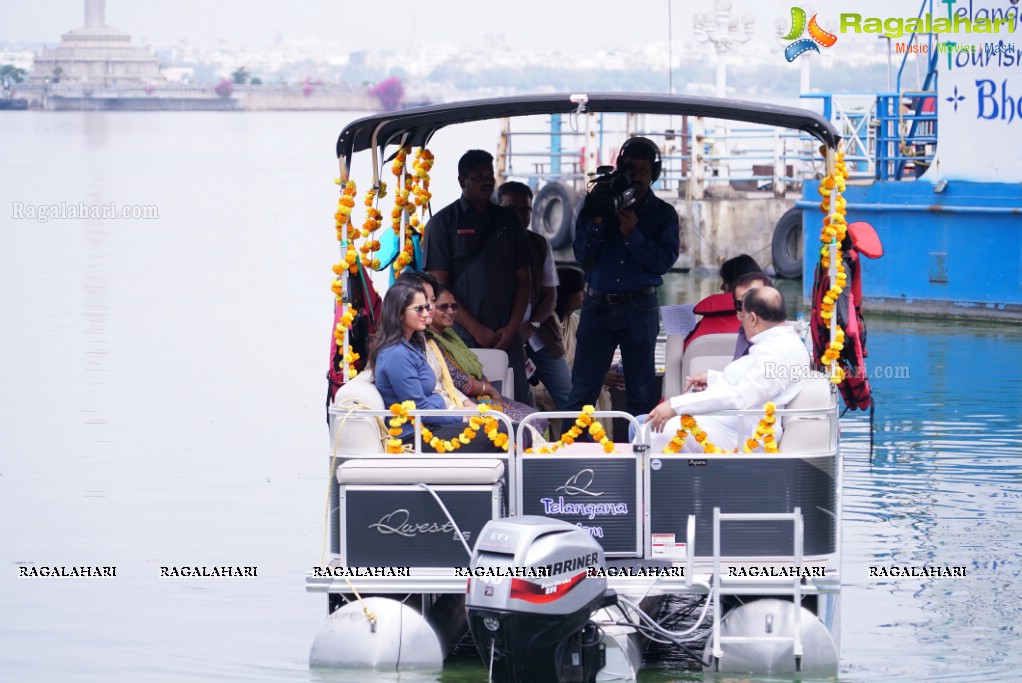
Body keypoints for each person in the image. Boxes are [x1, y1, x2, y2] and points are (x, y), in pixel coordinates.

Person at [568, 137, 680, 417]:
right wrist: (598, 222)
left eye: (643, 170)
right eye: (630, 168)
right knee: (582, 391)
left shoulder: (663, 215)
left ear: (653, 175)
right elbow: (584, 258)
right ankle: (572, 453)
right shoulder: (596, 204)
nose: (635, 176)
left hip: (639, 308)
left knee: (641, 393)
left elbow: (662, 263)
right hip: (597, 306)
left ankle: (639, 456)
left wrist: (633, 235)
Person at [425, 150, 534, 404]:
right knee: (467, 404)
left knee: (517, 400)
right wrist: (476, 328)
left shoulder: (509, 220)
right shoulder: (442, 223)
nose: (487, 182)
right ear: (462, 181)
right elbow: (438, 287)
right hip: (459, 334)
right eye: (478, 177)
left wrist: (513, 327)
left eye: (490, 176)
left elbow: (524, 279)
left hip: (507, 333)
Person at [644, 286, 809, 453]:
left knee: (654, 432)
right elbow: (754, 383)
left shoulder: (775, 352)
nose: (741, 322)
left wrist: (675, 405)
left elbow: (741, 397)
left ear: (752, 319)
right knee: (650, 426)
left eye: (742, 317)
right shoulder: (787, 343)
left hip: (750, 436)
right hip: (741, 423)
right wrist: (714, 379)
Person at [369, 280, 507, 453]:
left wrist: (453, 408)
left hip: (433, 423)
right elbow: (419, 410)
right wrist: (461, 416)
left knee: (512, 430)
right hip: (415, 436)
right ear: (399, 314)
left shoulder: (412, 344)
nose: (427, 313)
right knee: (507, 434)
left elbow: (429, 398)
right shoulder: (396, 354)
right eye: (419, 309)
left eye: (427, 307)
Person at [426, 284, 547, 433]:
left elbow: (471, 367)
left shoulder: (449, 335)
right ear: (430, 308)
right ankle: (517, 455)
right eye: (443, 307)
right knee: (528, 422)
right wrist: (488, 389)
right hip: (459, 400)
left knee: (536, 416)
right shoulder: (429, 339)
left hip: (477, 396)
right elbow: (455, 378)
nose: (450, 311)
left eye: (454, 306)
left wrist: (487, 390)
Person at [497, 181, 573, 409]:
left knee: (570, 398)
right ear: (498, 208)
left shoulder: (539, 245)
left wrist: (532, 325)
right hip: (500, 336)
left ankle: (581, 442)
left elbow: (551, 296)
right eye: (512, 209)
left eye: (525, 209)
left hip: (540, 335)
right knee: (510, 400)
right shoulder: (488, 244)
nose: (519, 215)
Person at [535, 266, 617, 439]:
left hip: (571, 383)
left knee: (598, 390)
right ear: (566, 294)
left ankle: (599, 445)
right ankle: (587, 443)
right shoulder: (544, 325)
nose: (585, 295)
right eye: (580, 290)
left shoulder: (575, 321)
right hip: (542, 388)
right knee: (586, 397)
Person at [684, 254, 762, 351]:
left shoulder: (707, 321)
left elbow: (687, 349)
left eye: (725, 282)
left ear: (736, 286)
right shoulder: (771, 323)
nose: (721, 287)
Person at [730, 271, 774, 359]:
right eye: (740, 304)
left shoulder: (787, 343)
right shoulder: (743, 335)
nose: (750, 309)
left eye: (756, 300)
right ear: (738, 314)